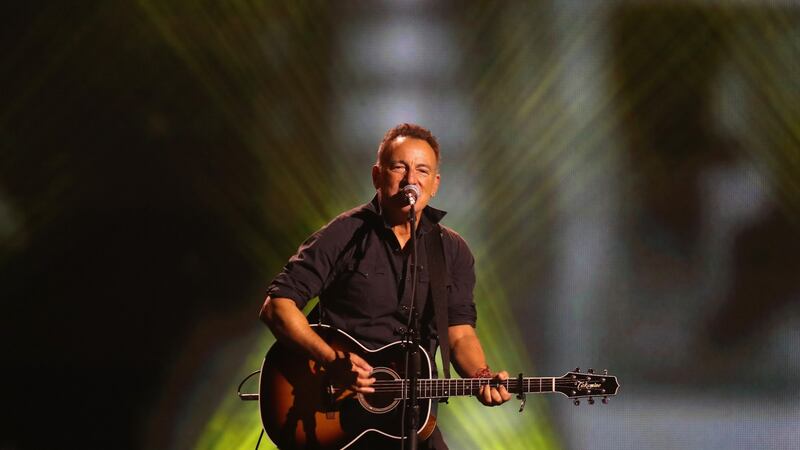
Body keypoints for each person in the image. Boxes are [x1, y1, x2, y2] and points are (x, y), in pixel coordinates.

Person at [259, 123, 511, 449]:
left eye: (422, 170)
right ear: (377, 176)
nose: (410, 180)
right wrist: (331, 359)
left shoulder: (452, 251)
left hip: (412, 418)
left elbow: (459, 333)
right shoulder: (344, 234)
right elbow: (277, 306)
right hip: (336, 417)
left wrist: (481, 377)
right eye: (399, 167)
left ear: (434, 184)